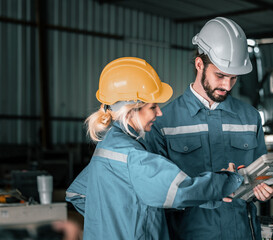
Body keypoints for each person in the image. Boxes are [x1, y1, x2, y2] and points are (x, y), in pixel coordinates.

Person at [65, 57, 244, 240]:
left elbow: (77, 193)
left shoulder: (107, 147)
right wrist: (229, 180)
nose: (159, 113)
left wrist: (114, 223)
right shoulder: (133, 157)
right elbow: (180, 189)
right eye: (153, 107)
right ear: (131, 111)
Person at [146, 17, 273, 240]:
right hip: (189, 234)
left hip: (243, 233)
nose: (227, 85)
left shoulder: (250, 117)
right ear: (199, 64)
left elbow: (262, 174)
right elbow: (157, 192)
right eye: (220, 75)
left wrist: (267, 189)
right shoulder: (163, 121)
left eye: (233, 78)